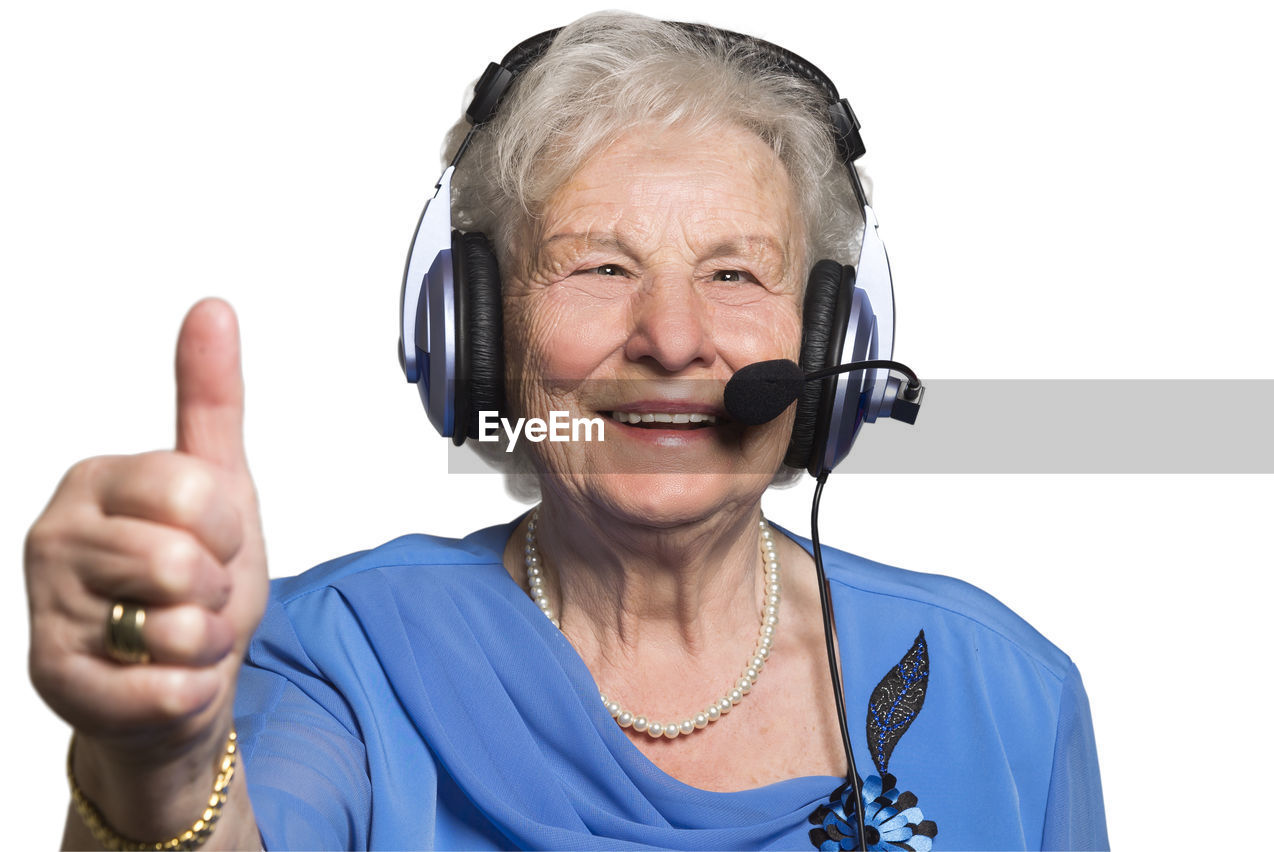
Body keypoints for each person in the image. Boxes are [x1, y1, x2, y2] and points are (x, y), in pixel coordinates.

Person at [25, 12, 1107, 851]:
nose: (672, 340)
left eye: (734, 273)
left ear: (826, 346)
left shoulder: (1005, 687)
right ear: (480, 335)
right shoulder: (333, 656)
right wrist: (156, 771)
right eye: (599, 267)